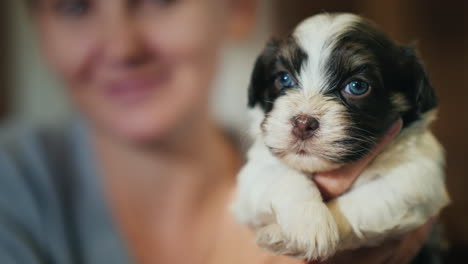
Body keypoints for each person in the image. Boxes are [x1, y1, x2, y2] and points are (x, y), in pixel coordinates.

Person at [0, 0, 439, 263]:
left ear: (239, 6)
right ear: (38, 28)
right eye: (74, 5)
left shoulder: (375, 175)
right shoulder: (13, 184)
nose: (121, 47)